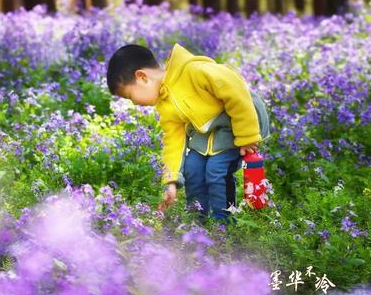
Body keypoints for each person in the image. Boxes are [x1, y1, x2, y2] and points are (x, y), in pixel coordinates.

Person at [106, 42, 271, 224]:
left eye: (130, 96)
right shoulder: (164, 102)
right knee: (193, 168)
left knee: (216, 171)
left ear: (142, 77)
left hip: (237, 121)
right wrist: (171, 182)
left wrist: (247, 137)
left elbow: (236, 91)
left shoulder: (194, 71)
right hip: (207, 128)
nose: (134, 103)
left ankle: (223, 225)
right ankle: (197, 222)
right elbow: (174, 141)